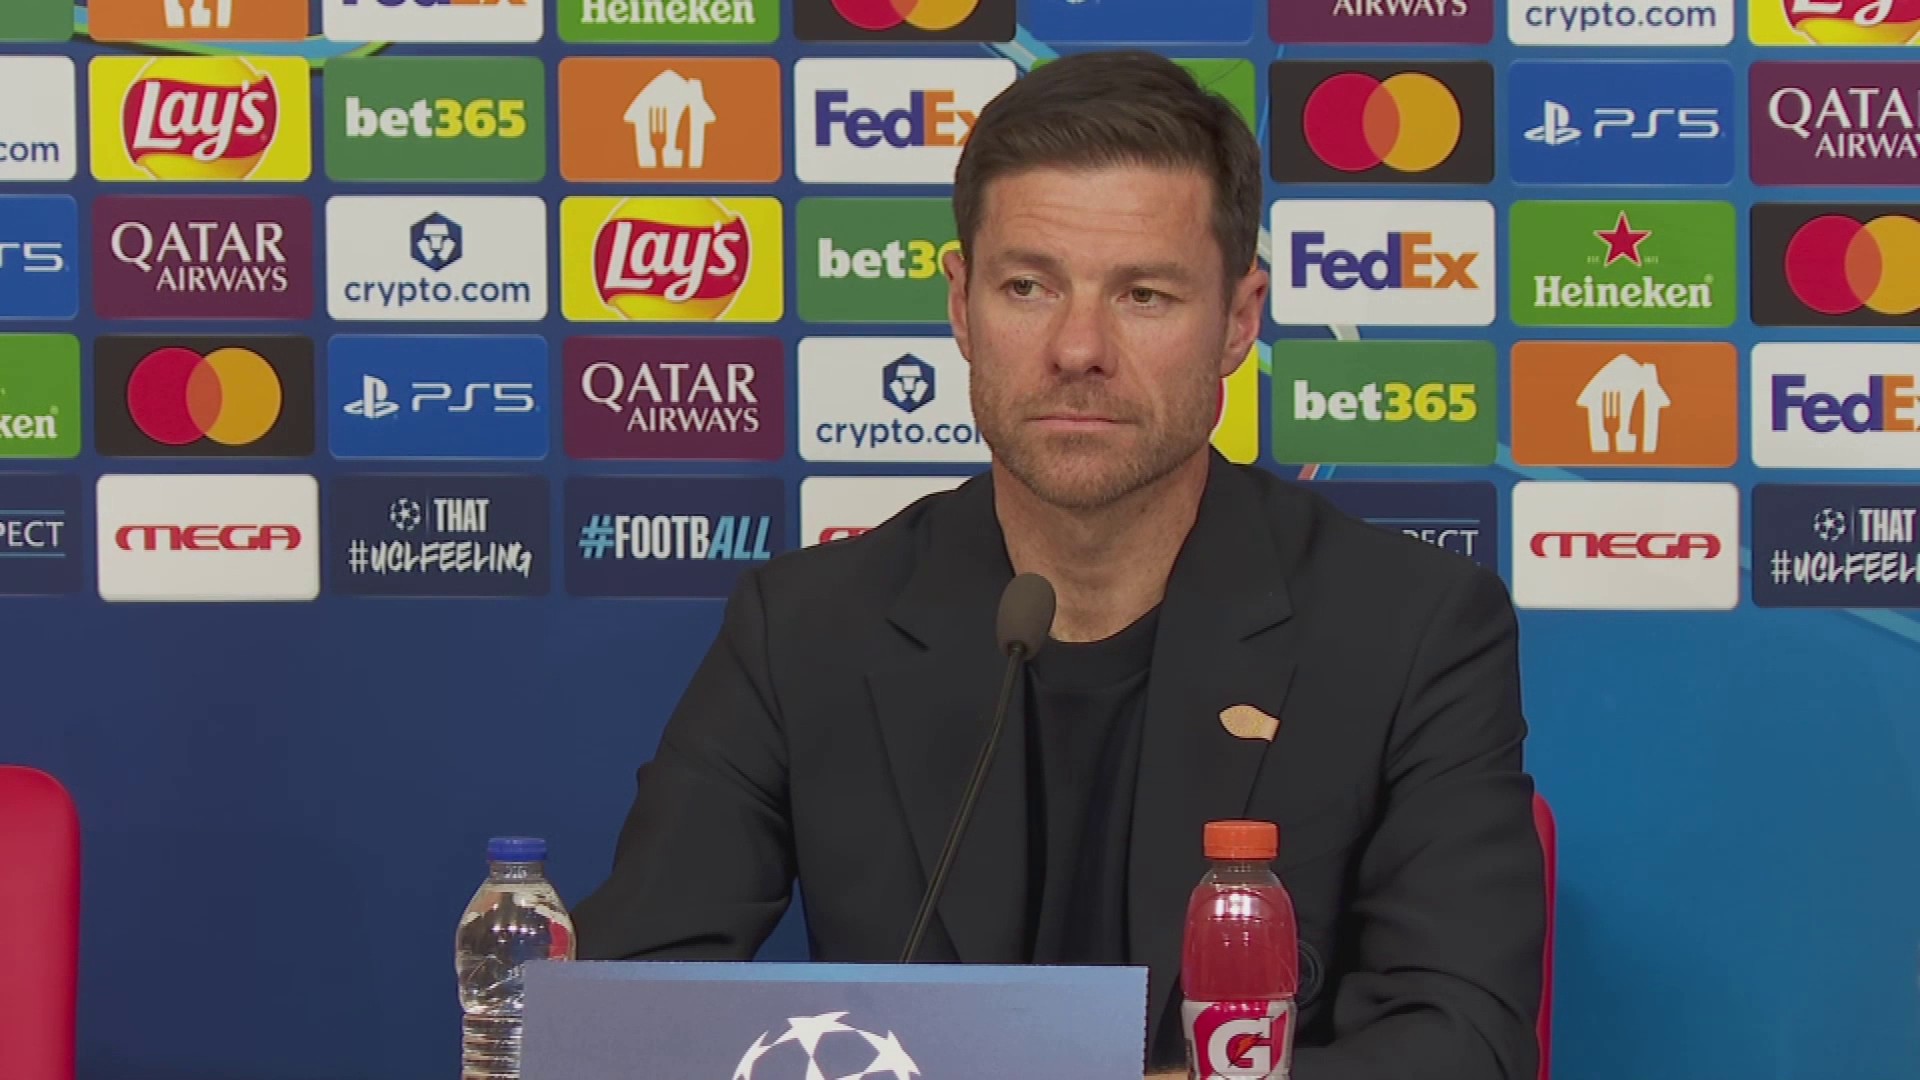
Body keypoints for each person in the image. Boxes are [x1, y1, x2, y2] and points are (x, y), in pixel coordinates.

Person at [572, 49, 1547, 1079]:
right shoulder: (806, 626)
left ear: (1239, 322)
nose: (1078, 348)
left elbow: (1462, 1046)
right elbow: (624, 1013)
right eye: (1029, 286)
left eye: (1145, 294)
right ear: (962, 306)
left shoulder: (1410, 628)